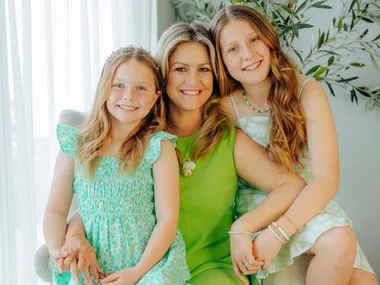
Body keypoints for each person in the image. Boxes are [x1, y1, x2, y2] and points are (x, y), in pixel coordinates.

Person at [45, 23, 307, 285]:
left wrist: (246, 227)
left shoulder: (225, 140)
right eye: (181, 69)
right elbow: (97, 202)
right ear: (162, 77)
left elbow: (290, 184)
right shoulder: (134, 138)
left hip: (209, 269)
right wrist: (73, 236)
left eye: (204, 69)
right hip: (147, 268)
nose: (193, 81)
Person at [209, 5, 377, 285]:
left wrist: (279, 232)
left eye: (253, 40)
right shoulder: (225, 108)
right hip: (261, 205)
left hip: (311, 203)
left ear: (269, 40)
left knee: (351, 260)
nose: (248, 54)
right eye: (233, 49)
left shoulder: (306, 91)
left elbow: (326, 180)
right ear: (221, 61)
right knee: (339, 241)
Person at [43, 46, 191, 285]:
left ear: (155, 96)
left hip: (147, 266)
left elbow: (167, 220)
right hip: (90, 266)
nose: (129, 96)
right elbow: (56, 210)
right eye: (118, 85)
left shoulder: (158, 147)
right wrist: (56, 251)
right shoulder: (75, 145)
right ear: (104, 88)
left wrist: (138, 272)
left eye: (141, 88)